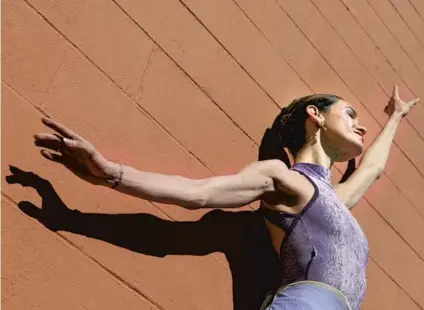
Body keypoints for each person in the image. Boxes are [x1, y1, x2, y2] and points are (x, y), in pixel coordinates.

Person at [33, 85, 418, 310]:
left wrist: (397, 117)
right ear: (315, 116)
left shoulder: (335, 199)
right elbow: (199, 194)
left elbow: (372, 169)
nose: (360, 124)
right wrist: (112, 174)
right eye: (349, 114)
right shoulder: (283, 179)